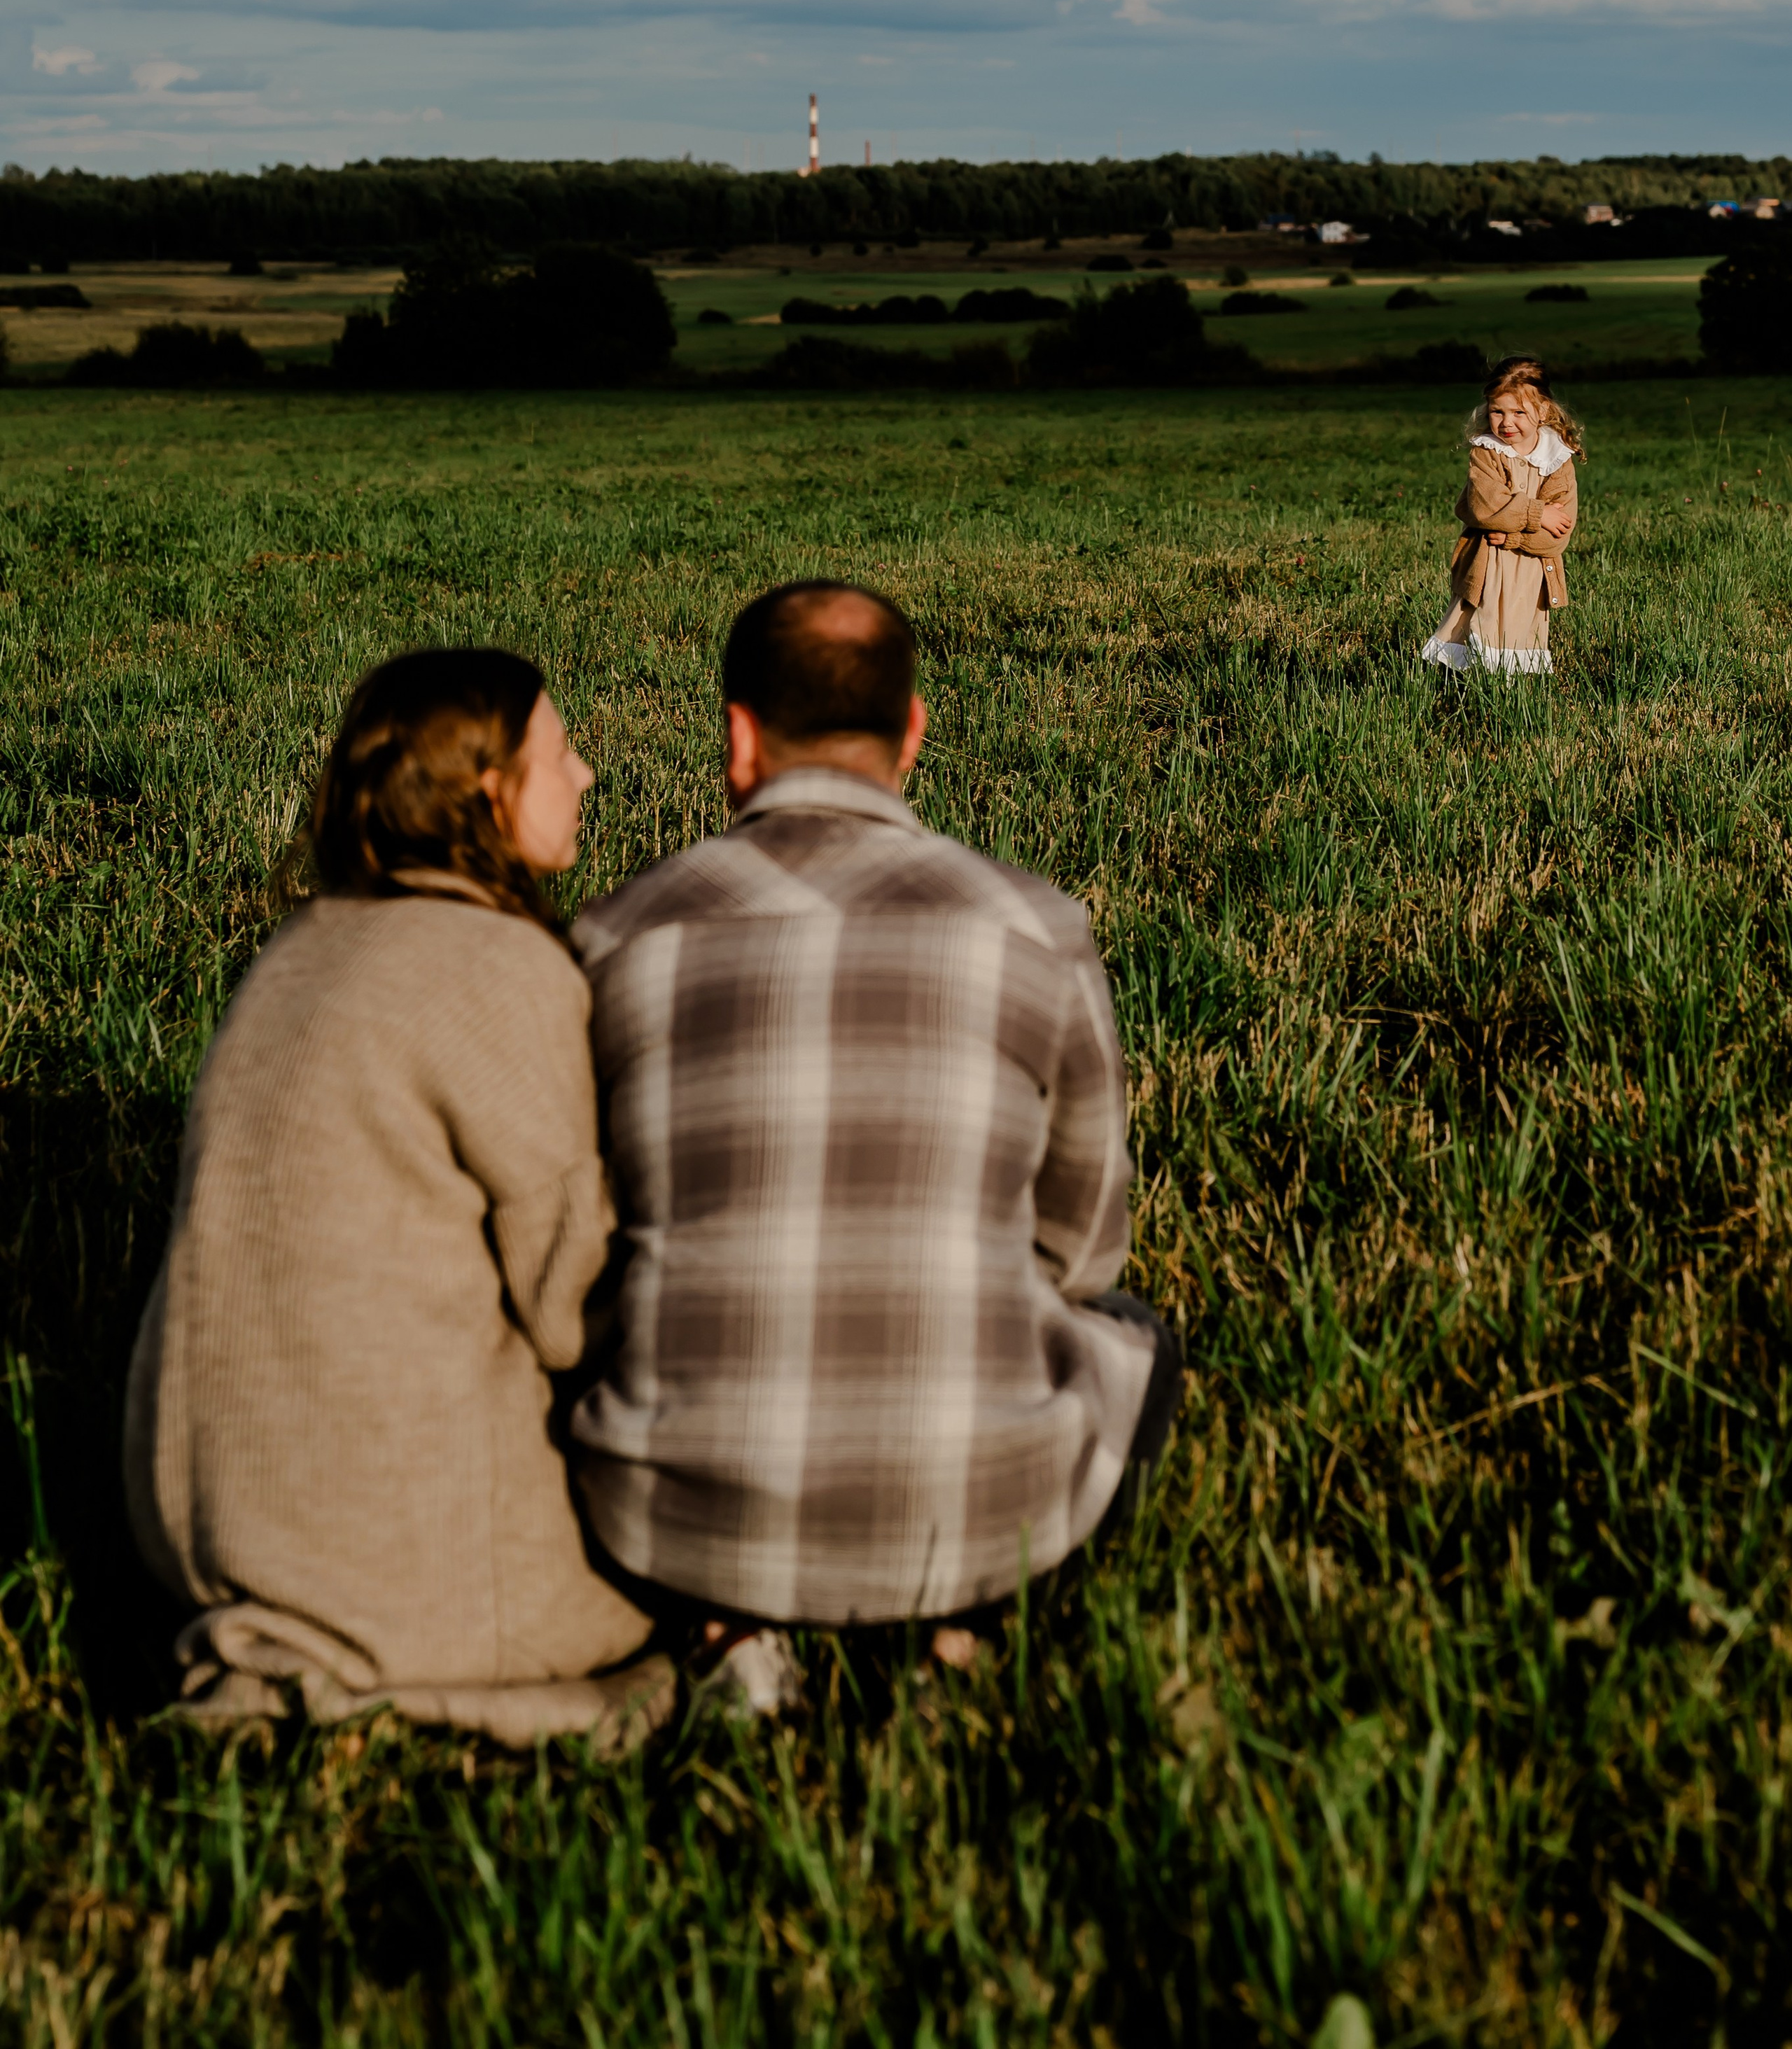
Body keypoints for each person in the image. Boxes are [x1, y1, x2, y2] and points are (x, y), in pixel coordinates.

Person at [568, 579, 1180, 1678]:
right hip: (988, 1508)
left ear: (738, 738)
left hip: (669, 1511)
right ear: (913, 735)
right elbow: (1087, 1252)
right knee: (1139, 1335)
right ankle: (964, 1614)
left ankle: (732, 1629)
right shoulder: (1036, 928)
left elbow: (587, 1248)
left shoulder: (614, 938)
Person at [124, 648, 672, 1751]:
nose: (589, 776)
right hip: (377, 1542)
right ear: (490, 792)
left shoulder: (299, 951)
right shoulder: (500, 968)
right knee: (697, 1590)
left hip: (195, 1529)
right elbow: (578, 1304)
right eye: (561, 753)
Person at [1422, 354, 1582, 677]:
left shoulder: (1557, 460)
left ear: (1543, 411)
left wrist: (1513, 534)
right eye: (1498, 411)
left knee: (1517, 640)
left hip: (1531, 573)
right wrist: (1538, 513)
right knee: (1474, 633)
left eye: (1519, 412)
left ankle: (1508, 701)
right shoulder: (1487, 453)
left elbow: (1558, 534)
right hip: (1487, 567)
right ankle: (1462, 692)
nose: (1506, 423)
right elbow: (1486, 507)